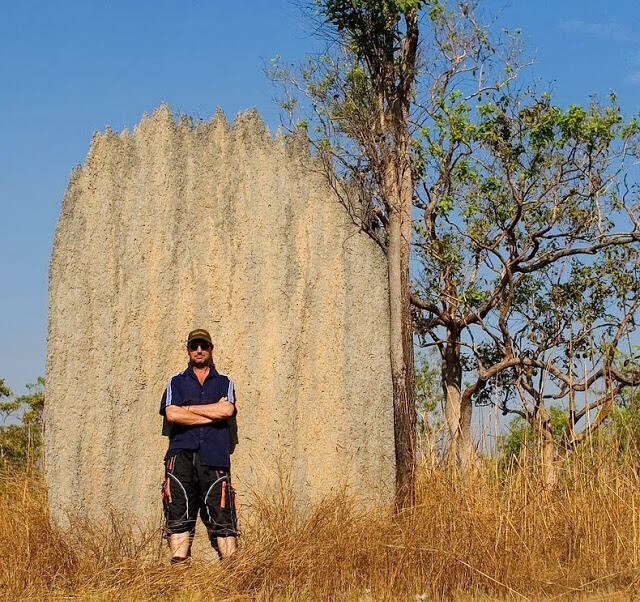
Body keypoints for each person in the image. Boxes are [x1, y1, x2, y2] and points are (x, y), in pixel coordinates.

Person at [159, 328, 239, 563]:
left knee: (223, 515)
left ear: (211, 349)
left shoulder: (224, 381)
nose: (199, 350)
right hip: (180, 457)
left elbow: (227, 410)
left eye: (204, 346)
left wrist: (189, 409)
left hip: (214, 457)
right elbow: (172, 414)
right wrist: (210, 412)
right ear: (188, 350)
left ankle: (234, 578)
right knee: (179, 515)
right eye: (194, 346)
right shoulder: (176, 381)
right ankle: (181, 580)